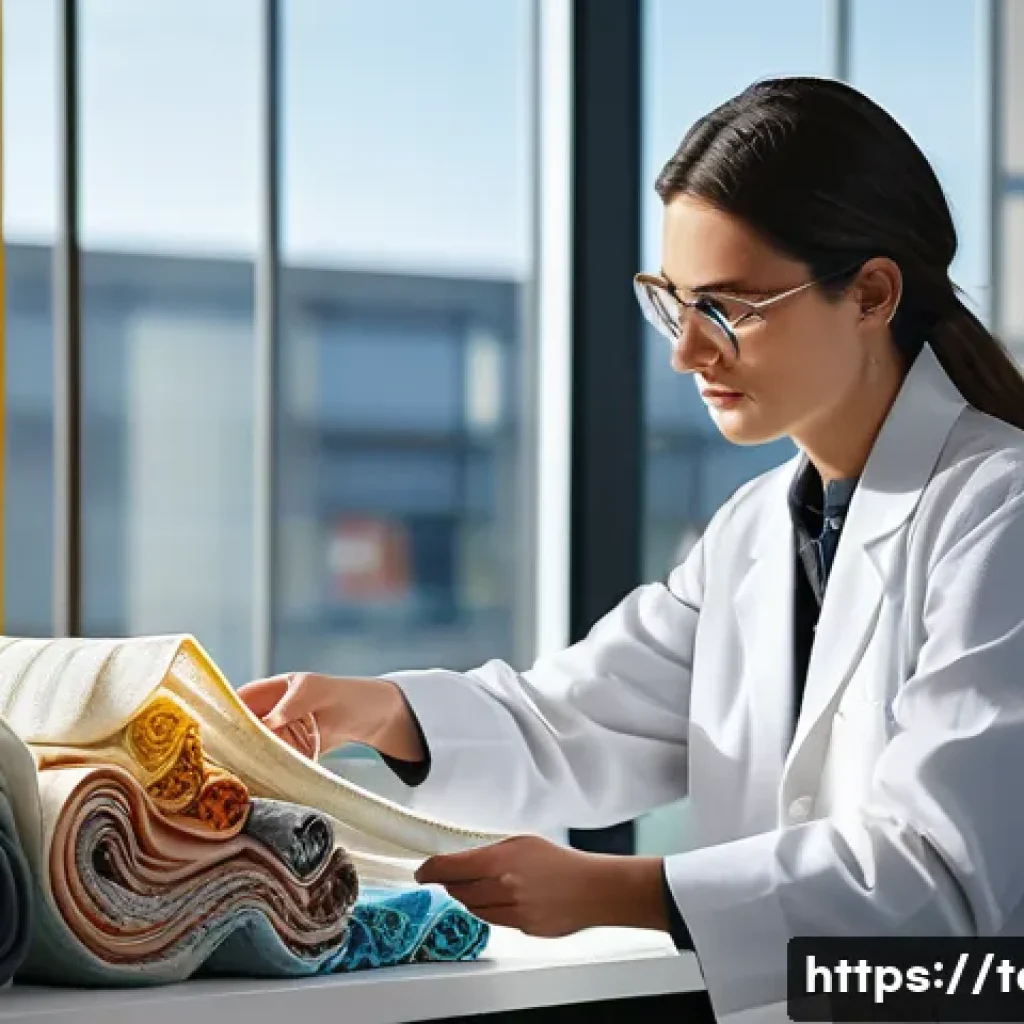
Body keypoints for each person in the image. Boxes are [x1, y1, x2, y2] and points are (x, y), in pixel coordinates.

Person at [238, 76, 1024, 1019]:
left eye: (730, 308)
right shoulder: (753, 534)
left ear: (872, 293)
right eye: (674, 304)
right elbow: (578, 717)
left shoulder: (999, 512)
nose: (688, 353)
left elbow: (945, 877)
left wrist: (623, 892)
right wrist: (372, 712)